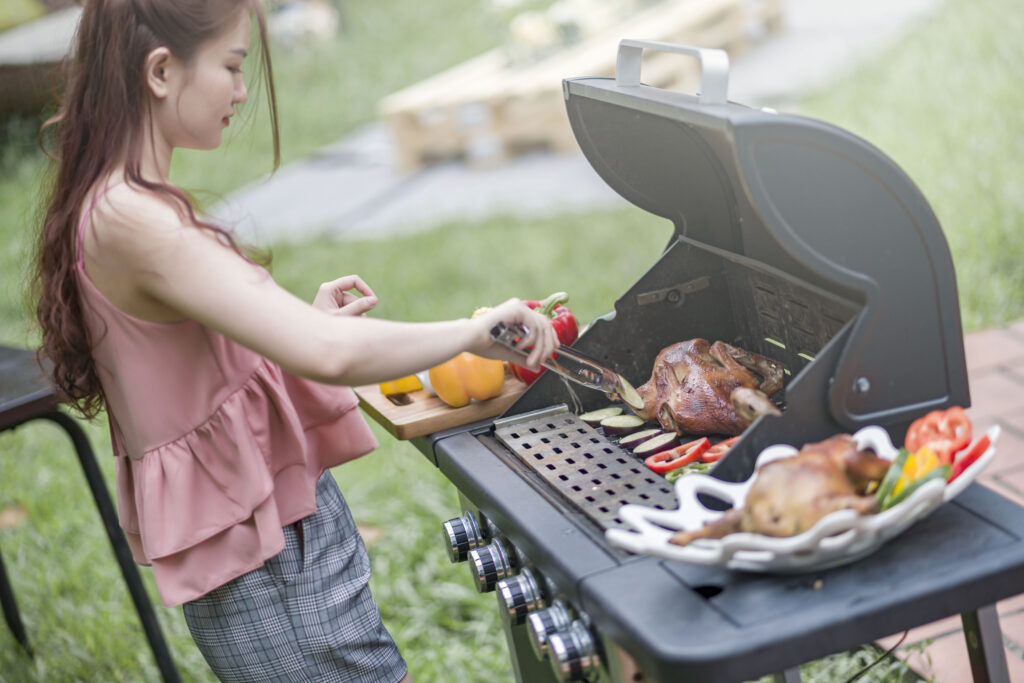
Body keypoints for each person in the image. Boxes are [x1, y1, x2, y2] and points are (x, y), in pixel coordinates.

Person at [31, 1, 558, 681]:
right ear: (160, 71)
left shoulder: (119, 204)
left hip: (266, 542)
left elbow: (186, 370)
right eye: (231, 66)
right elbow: (328, 354)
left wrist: (290, 329)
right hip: (269, 564)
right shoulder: (136, 221)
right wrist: (474, 333)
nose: (241, 91)